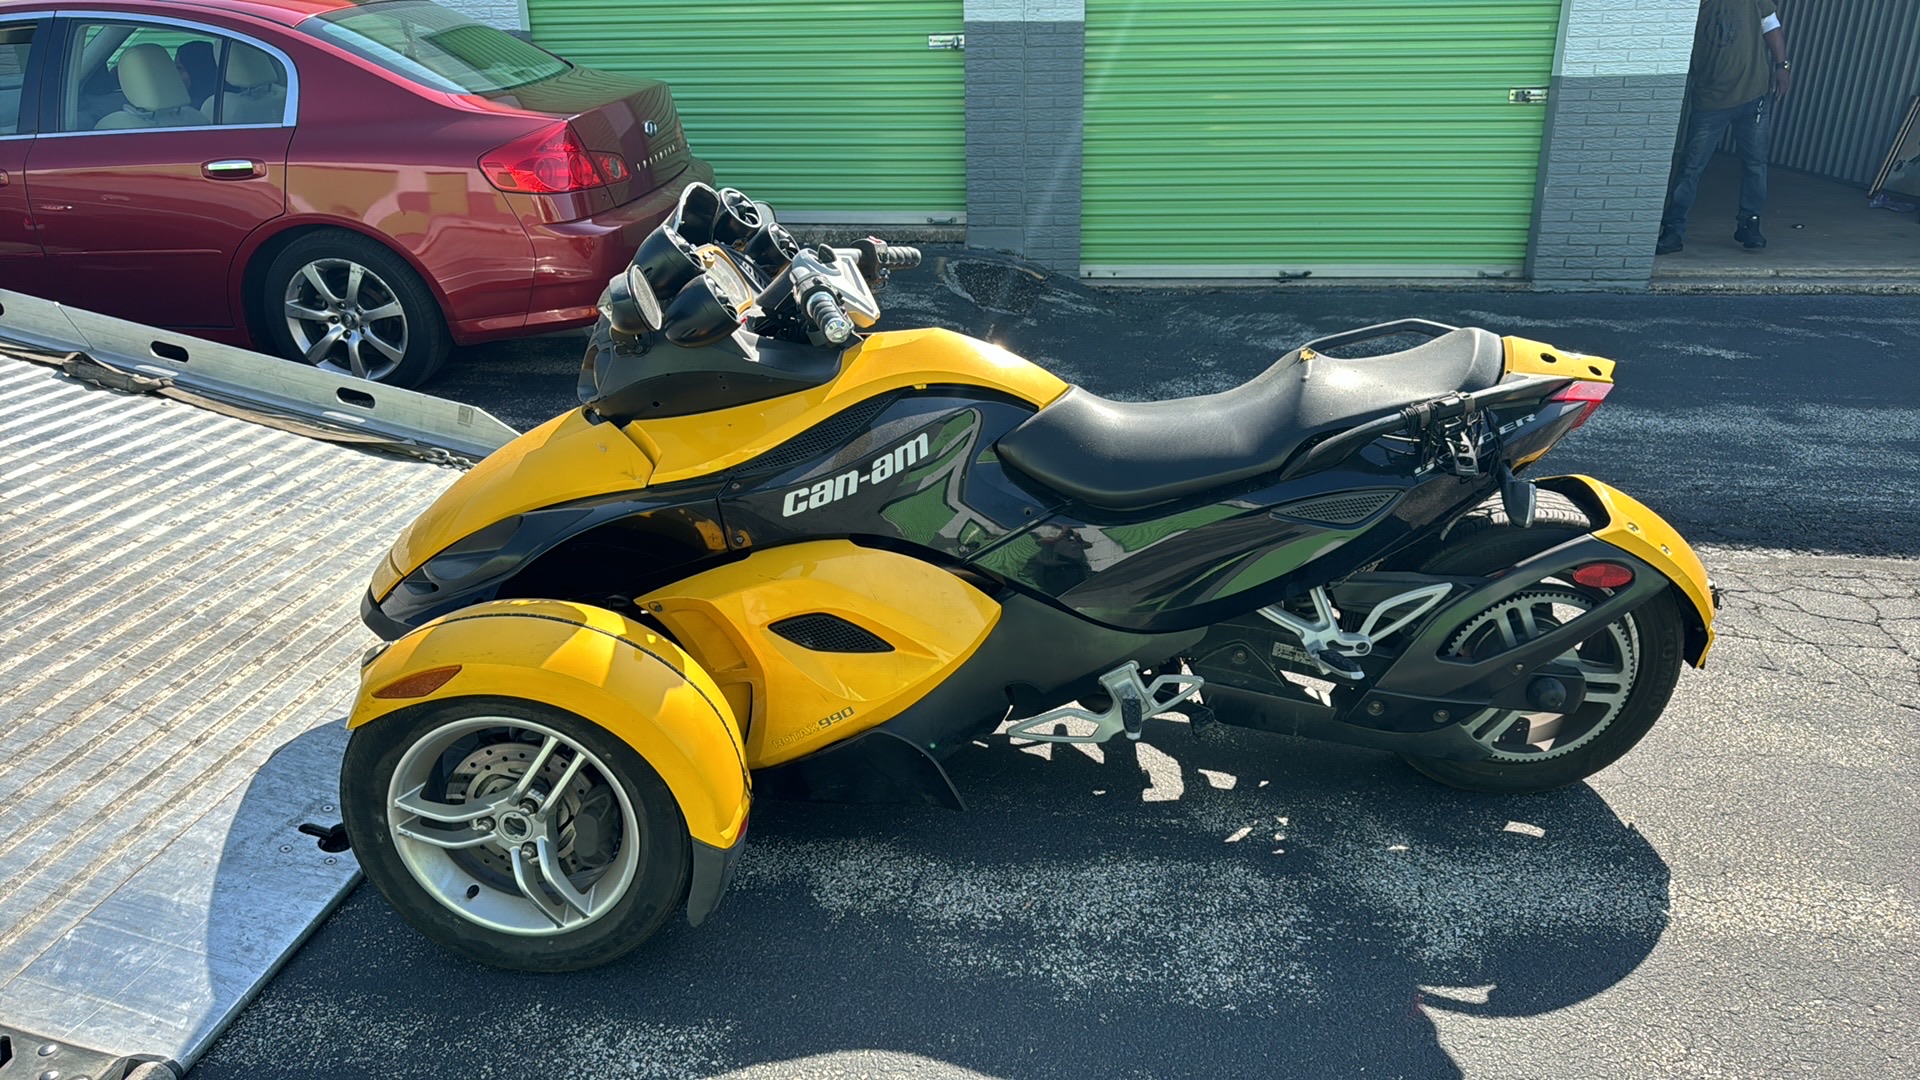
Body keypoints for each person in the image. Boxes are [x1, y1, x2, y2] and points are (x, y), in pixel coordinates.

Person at [1656, 1, 1791, 254]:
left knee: (1755, 164)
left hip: (1755, 95)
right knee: (1691, 166)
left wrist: (1781, 66)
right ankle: (1673, 230)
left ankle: (1749, 224)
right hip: (1710, 99)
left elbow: (1770, 24)